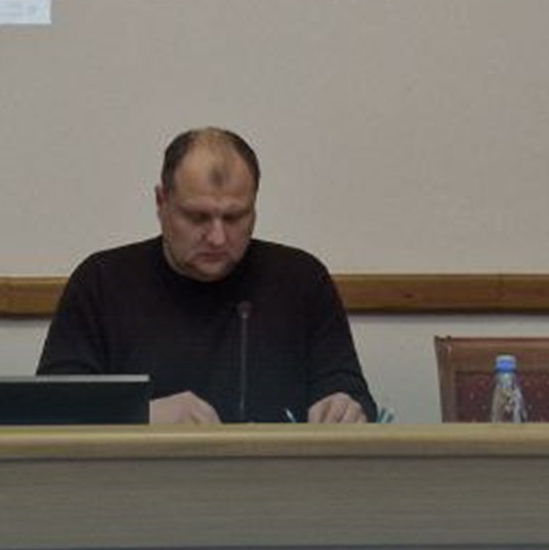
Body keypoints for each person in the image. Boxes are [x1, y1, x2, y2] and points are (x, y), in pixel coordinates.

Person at [38, 126, 374, 424]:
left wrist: (345, 407)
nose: (217, 238)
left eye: (235, 217)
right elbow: (50, 410)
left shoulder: (301, 280)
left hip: (274, 475)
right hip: (140, 475)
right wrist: (142, 415)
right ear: (161, 202)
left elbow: (351, 394)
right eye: (198, 217)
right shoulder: (102, 282)